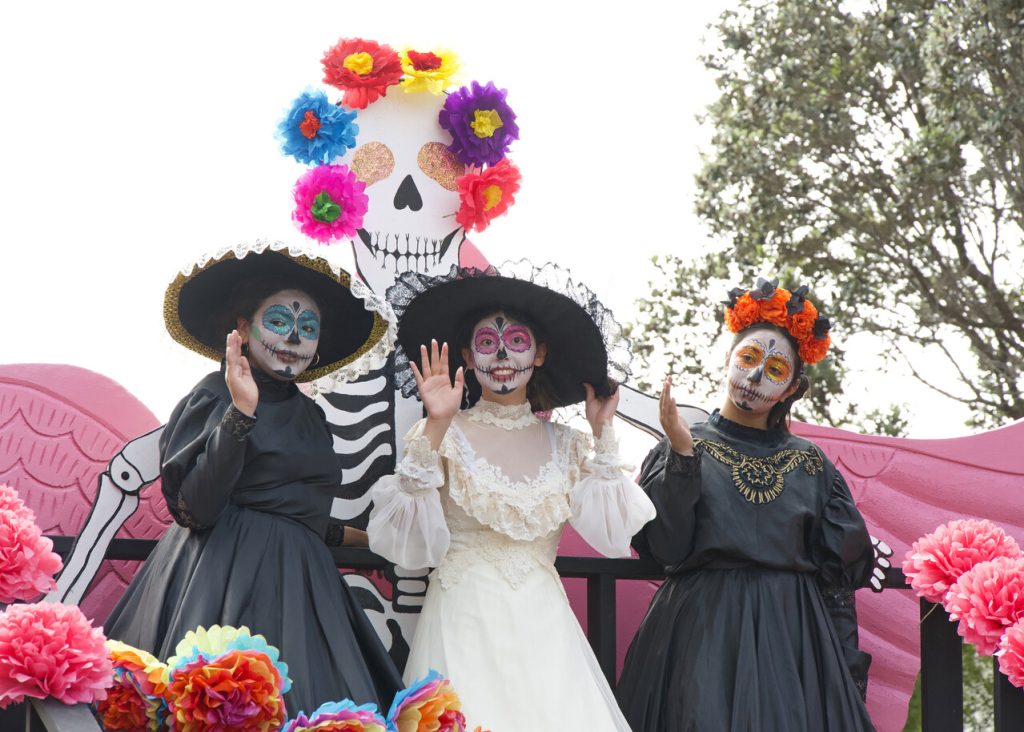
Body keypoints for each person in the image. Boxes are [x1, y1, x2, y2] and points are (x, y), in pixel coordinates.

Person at [104, 241, 403, 715]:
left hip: (305, 587)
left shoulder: (311, 416)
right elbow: (194, 508)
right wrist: (240, 413)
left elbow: (295, 509)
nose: (293, 337)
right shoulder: (211, 396)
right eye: (279, 320)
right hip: (220, 582)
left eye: (308, 326)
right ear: (243, 328)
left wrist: (367, 541)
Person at [366, 264, 654, 730]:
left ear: (539, 354)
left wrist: (603, 433)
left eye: (516, 341)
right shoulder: (439, 434)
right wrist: (438, 422)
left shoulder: (569, 444)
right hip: (462, 623)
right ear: (466, 354)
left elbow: (615, 531)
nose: (501, 354)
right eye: (486, 343)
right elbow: (400, 538)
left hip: (545, 629)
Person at [616, 278, 876, 732]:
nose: (755, 377)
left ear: (794, 386)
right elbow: (667, 550)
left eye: (774, 370)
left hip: (794, 648)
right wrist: (680, 455)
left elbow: (838, 585)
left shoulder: (811, 465)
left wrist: (844, 672)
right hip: (699, 642)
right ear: (728, 361)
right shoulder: (683, 445)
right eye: (749, 359)